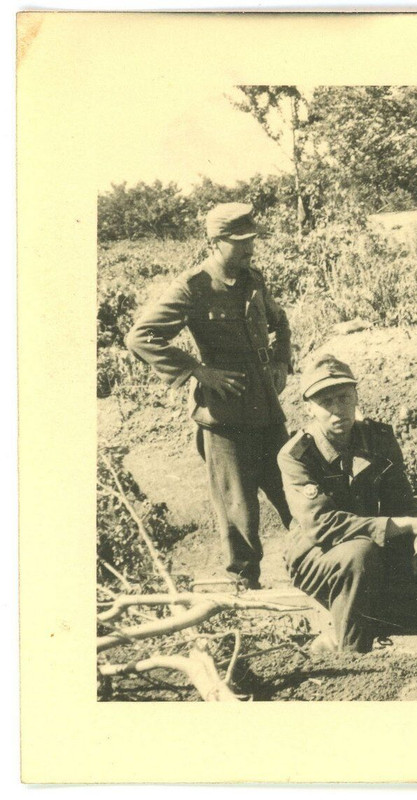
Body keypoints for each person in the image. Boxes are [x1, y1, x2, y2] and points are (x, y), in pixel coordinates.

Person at [126, 202, 292, 589]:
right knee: (238, 506)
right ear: (215, 242)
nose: (250, 248)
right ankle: (244, 586)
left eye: (252, 240)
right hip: (224, 414)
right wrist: (197, 371)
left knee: (292, 487)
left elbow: (281, 322)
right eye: (239, 242)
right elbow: (140, 337)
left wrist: (282, 361)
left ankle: (318, 563)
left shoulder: (254, 279)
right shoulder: (194, 286)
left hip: (266, 406)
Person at [278, 355, 417, 653]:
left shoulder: (378, 438)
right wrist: (411, 526)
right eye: (326, 402)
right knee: (360, 556)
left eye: (344, 398)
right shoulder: (296, 455)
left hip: (373, 542)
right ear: (309, 407)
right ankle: (350, 654)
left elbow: (403, 501)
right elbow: (324, 526)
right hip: (316, 554)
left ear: (356, 396)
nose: (338, 410)